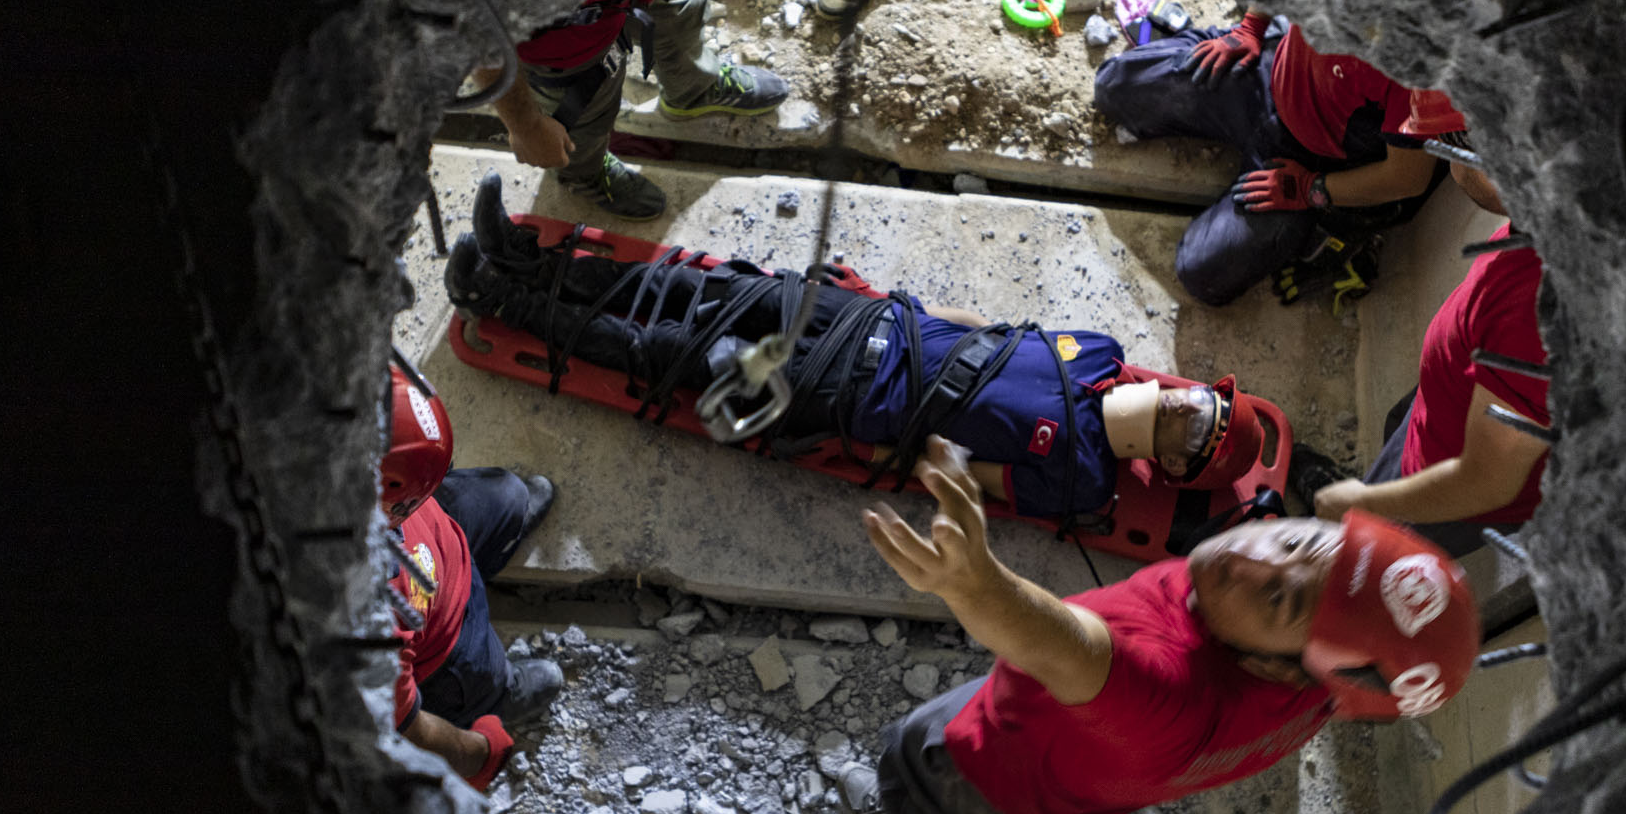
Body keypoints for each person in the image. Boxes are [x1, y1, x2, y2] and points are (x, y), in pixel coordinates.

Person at [444, 171, 1255, 534]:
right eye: (1201, 399)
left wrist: (871, 436)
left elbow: (957, 478)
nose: (1184, 402)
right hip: (864, 322)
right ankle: (528, 261)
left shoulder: (1081, 478)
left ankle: (503, 302)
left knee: (676, 348)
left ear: (1172, 465)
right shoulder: (1100, 353)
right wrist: (887, 301)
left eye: (1197, 427)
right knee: (696, 287)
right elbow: (991, 331)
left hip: (848, 391)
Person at [837, 435, 1479, 814]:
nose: (1251, 555)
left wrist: (975, 584)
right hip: (1079, 793)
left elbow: (1060, 647)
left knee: (918, 758)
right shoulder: (1328, 685)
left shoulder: (1170, 695)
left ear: (1272, 668)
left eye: (1280, 599)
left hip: (992, 769)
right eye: (1298, 543)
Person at [1302, 94, 1550, 559]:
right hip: (1449, 405)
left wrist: (1363, 504)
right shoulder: (1554, 217)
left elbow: (1485, 482)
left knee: (1364, 558)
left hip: (1448, 497)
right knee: (1401, 425)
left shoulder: (1539, 308)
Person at [1092, 4, 1447, 307]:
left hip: (1308, 161)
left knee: (1202, 275)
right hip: (1266, 71)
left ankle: (1322, 229)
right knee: (1113, 86)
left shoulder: (1423, 56)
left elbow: (1406, 178)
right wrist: (1250, 28)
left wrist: (1310, 189)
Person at [482, 0, 789, 220]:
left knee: (685, 8)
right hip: (565, 40)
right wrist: (527, 127)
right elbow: (469, 34)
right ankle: (583, 175)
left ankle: (694, 92)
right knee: (581, 122)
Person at [377, 364, 567, 790]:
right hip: (444, 641)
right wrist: (478, 754)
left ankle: (492, 531)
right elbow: (404, 727)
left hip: (431, 531)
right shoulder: (366, 621)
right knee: (481, 675)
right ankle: (495, 694)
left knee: (507, 494)